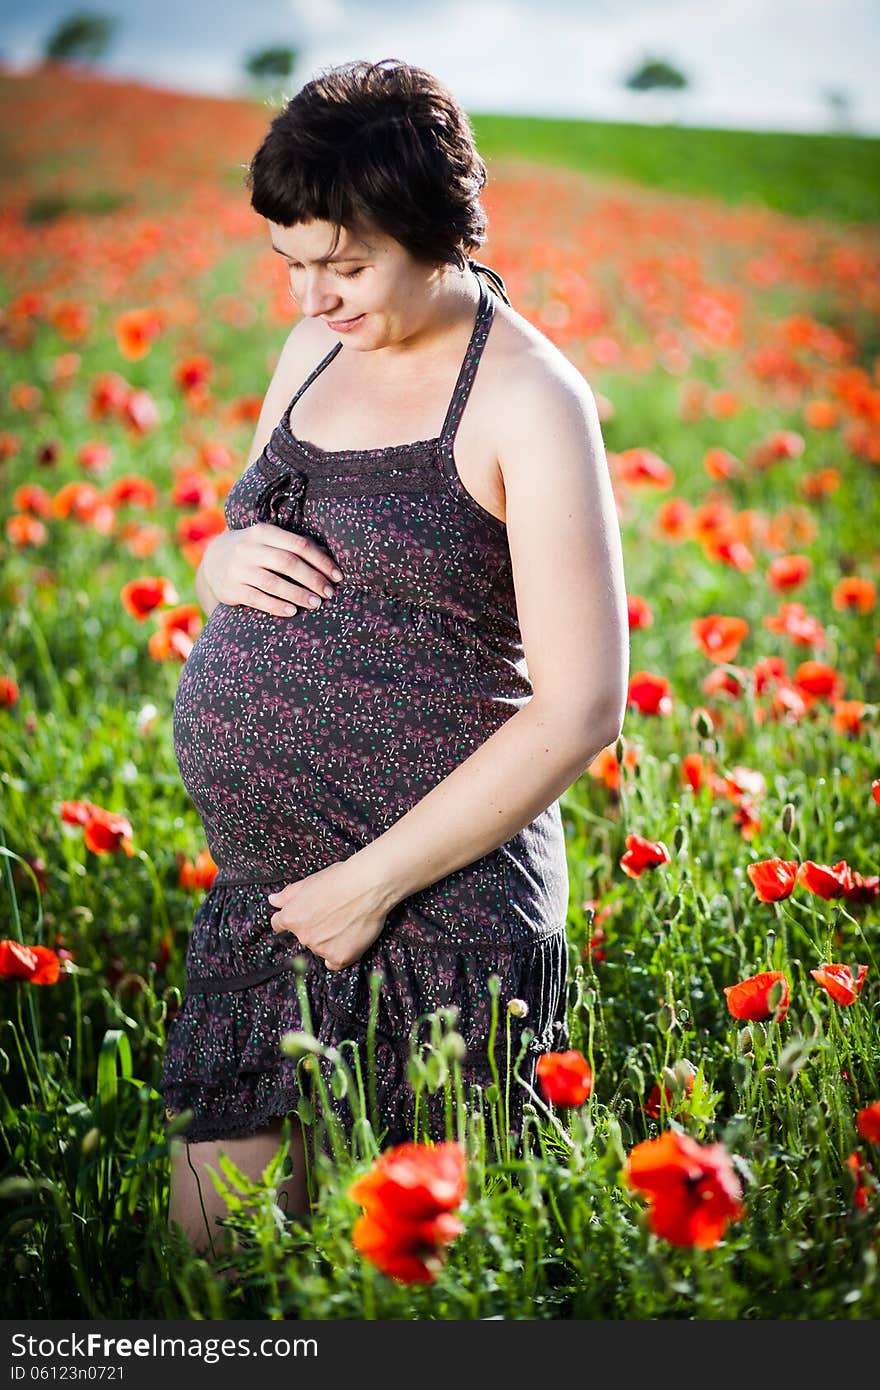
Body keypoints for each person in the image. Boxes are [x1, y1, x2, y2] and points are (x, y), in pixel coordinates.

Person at [160, 57, 629, 1261]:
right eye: (292, 264)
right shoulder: (312, 350)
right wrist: (217, 567)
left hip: (438, 910)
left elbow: (581, 706)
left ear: (437, 232)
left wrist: (368, 883)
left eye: (347, 263)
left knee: (421, 1293)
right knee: (214, 1273)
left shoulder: (528, 397)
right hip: (269, 894)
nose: (313, 297)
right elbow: (245, 528)